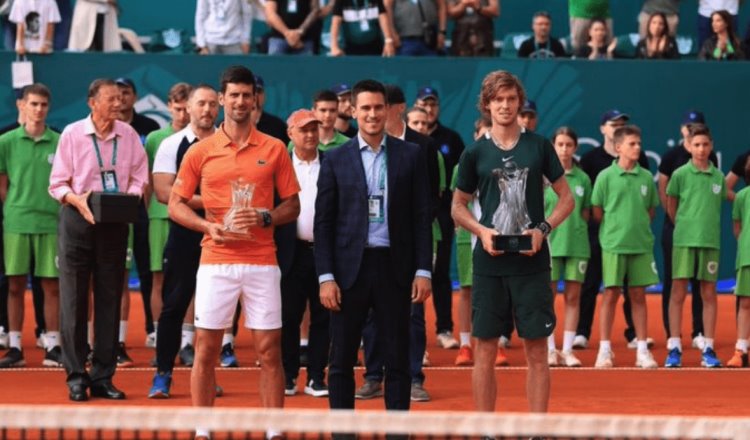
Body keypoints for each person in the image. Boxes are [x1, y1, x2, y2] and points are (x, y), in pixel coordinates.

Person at [168, 66, 300, 440]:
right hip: (215, 261)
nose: (241, 101)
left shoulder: (274, 147)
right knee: (206, 347)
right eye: (234, 95)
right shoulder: (200, 151)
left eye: (247, 95)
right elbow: (176, 204)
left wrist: (265, 216)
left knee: (269, 349)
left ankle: (274, 430)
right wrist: (207, 226)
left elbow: (293, 206)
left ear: (255, 100)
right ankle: (202, 429)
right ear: (222, 99)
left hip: (262, 261)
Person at [452, 70, 573, 414]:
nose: (505, 105)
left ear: (519, 102)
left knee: (536, 351)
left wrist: (543, 229)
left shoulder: (539, 146)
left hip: (532, 263)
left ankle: (536, 432)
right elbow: (457, 206)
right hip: (489, 264)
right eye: (498, 99)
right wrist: (482, 232)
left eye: (510, 99)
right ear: (486, 105)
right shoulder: (474, 153)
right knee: (485, 351)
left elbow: (566, 199)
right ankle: (488, 430)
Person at [314, 79, 432, 414]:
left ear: (389, 110)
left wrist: (423, 269)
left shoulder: (411, 155)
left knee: (397, 360)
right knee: (340, 360)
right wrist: (325, 276)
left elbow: (422, 217)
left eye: (378, 107)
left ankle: (397, 434)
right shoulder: (335, 159)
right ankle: (343, 434)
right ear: (352, 110)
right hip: (348, 271)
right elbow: (323, 224)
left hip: (395, 269)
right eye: (365, 108)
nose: (372, 114)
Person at [48, 78, 148, 401]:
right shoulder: (73, 135)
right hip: (78, 219)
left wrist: (125, 200)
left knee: (109, 299)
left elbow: (139, 178)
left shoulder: (130, 135)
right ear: (93, 102)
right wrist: (77, 200)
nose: (118, 104)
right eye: (111, 99)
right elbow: (57, 184)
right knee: (74, 300)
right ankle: (76, 376)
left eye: (120, 99)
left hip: (115, 223)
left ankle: (103, 375)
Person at [357, 83, 440, 402]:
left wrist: (406, 226)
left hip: (406, 247)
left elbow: (431, 197)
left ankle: (414, 376)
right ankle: (373, 375)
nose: (378, 112)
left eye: (385, 106)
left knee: (413, 314)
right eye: (372, 106)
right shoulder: (362, 146)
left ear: (397, 108)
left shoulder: (422, 146)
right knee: (370, 314)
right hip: (370, 247)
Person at [148, 84, 222, 398]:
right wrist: (212, 201)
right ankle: (163, 374)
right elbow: (165, 193)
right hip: (184, 235)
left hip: (222, 237)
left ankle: (205, 377)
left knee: (214, 311)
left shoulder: (230, 143)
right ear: (187, 108)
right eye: (200, 104)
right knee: (174, 305)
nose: (206, 110)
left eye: (211, 104)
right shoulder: (171, 144)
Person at [576, 110, 651, 350]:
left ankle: (633, 335)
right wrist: (607, 226)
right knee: (593, 284)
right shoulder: (590, 160)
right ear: (603, 129)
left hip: (632, 238)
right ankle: (582, 333)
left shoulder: (644, 168)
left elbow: (649, 207)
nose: (618, 126)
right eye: (613, 123)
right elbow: (592, 204)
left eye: (622, 124)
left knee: (635, 290)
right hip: (600, 233)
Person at [0, 83, 62, 368]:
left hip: (50, 223)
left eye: (43, 105)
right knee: (14, 285)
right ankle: (14, 347)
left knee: (51, 286)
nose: (38, 110)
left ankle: (53, 345)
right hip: (16, 222)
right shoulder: (6, 142)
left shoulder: (60, 141)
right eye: (33, 104)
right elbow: (2, 187)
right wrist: (13, 209)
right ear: (21, 106)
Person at [591, 125, 659, 369]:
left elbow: (650, 211)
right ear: (618, 147)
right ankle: (605, 351)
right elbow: (597, 210)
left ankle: (642, 351)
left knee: (638, 296)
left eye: (639, 144)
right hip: (613, 245)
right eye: (632, 144)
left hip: (640, 245)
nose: (638, 148)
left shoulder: (645, 178)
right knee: (610, 295)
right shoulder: (605, 177)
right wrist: (616, 230)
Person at [664, 123, 726, 369]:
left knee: (709, 293)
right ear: (689, 146)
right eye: (697, 145)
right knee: (678, 291)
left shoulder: (718, 176)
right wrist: (683, 226)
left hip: (710, 241)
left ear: (711, 147)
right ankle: (675, 347)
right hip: (684, 241)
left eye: (705, 145)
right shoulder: (679, 175)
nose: (701, 149)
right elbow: (671, 205)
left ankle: (708, 348)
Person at [278, 109, 329, 398]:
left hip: (324, 253)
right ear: (291, 134)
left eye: (314, 129)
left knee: (324, 317)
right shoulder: (280, 165)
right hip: (290, 253)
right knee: (288, 317)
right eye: (303, 130)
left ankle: (316, 377)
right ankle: (288, 375)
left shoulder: (332, 163)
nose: (310, 135)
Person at [657, 111, 715, 348]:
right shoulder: (672, 157)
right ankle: (673, 335)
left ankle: (699, 331)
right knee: (674, 282)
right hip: (676, 230)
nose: (700, 147)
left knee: (701, 282)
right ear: (683, 130)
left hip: (701, 233)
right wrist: (678, 222)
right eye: (690, 126)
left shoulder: (713, 165)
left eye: (698, 126)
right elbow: (665, 193)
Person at [414, 86, 465, 350]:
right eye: (424, 105)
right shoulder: (403, 145)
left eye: (433, 105)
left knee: (441, 274)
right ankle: (414, 336)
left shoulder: (451, 139)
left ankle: (444, 329)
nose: (429, 110)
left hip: (441, 218)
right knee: (412, 277)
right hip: (411, 223)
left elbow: (461, 182)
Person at [143, 82, 192, 351]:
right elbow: (150, 183)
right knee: (159, 277)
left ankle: (186, 340)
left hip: (190, 217)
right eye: (178, 109)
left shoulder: (203, 139)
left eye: (187, 109)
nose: (183, 115)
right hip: (159, 217)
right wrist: (147, 212)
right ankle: (161, 334)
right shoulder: (154, 139)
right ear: (169, 107)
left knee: (190, 278)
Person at [115, 76, 158, 367]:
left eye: (126, 93)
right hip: (113, 212)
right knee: (117, 276)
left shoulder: (149, 128)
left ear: (134, 96)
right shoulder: (101, 130)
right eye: (116, 94)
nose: (121, 99)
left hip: (143, 211)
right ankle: (114, 340)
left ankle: (153, 330)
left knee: (148, 273)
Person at [545, 127, 589, 368]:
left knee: (573, 297)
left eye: (568, 145)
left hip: (577, 245)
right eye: (560, 144)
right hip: (550, 245)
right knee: (548, 298)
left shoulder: (583, 179)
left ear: (575, 148)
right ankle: (550, 350)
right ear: (553, 146)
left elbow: (585, 212)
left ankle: (568, 350)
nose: (564, 149)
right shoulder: (544, 178)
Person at [453, 116, 491, 367]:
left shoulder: (504, 163)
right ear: (475, 135)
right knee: (467, 290)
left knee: (492, 290)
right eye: (483, 134)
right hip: (469, 237)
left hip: (496, 235)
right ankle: (466, 345)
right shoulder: (463, 165)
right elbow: (457, 204)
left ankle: (491, 343)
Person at [728, 159, 750, 368]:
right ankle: (741, 350)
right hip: (747, 257)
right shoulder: (742, 196)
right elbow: (738, 229)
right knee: (745, 303)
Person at [329, 0, 396, 56]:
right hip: (351, 46)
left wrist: (388, 41)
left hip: (374, 45)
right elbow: (335, 22)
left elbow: (383, 17)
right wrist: (334, 46)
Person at [254, 75, 290, 145]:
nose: (255, 95)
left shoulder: (278, 126)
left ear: (264, 95)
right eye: (250, 93)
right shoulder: (234, 126)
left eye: (258, 91)